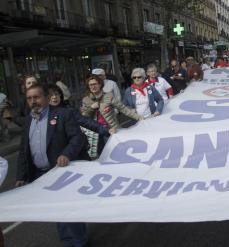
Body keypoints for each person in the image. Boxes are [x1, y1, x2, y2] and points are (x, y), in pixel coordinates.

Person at [16, 84, 89, 247]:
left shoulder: (63, 114)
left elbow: (78, 138)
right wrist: (21, 176)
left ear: (47, 99)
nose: (33, 101)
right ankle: (68, 241)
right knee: (56, 211)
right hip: (41, 175)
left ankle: (78, 242)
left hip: (62, 173)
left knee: (68, 209)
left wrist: (66, 154)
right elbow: (24, 150)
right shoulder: (28, 120)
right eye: (29, 98)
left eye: (37, 97)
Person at [81, 75, 141, 156]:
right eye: (91, 85)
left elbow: (123, 108)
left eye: (95, 84)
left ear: (100, 84)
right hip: (96, 132)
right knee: (100, 156)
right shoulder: (86, 100)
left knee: (116, 154)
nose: (93, 86)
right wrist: (91, 108)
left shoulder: (109, 96)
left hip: (111, 130)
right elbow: (83, 117)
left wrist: (138, 117)